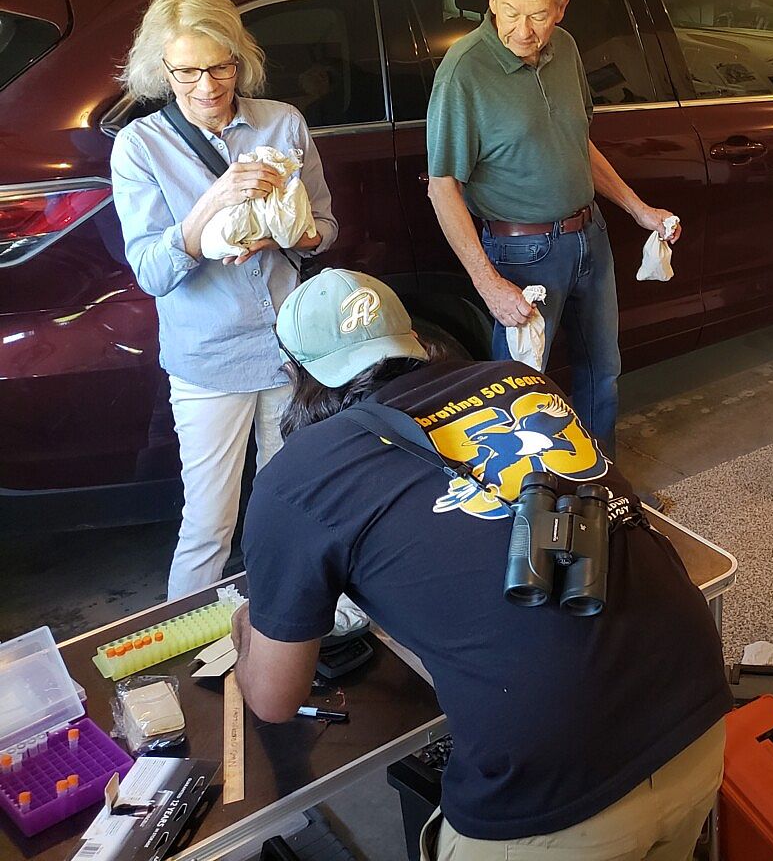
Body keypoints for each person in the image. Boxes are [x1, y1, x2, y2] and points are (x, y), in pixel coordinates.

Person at [233, 269, 731, 861]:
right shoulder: (520, 381)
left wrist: (247, 626)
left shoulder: (296, 478)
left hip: (555, 797)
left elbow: (272, 700)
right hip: (697, 716)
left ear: (296, 374)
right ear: (413, 339)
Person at [110, 0, 336, 600]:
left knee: (293, 505)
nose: (207, 87)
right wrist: (216, 199)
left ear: (240, 59)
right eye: (187, 72)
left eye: (220, 67)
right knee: (209, 525)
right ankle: (182, 663)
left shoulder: (282, 123)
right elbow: (151, 272)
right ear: (161, 69)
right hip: (210, 362)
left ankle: (288, 630)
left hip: (291, 351)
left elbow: (326, 228)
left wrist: (288, 233)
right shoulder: (142, 145)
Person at [425, 0, 679, 459]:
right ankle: (524, 499)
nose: (524, 30)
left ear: (562, 6)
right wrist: (488, 282)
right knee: (521, 390)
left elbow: (575, 141)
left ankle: (598, 481)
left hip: (590, 237)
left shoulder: (563, 48)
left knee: (602, 373)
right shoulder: (465, 72)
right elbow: (442, 185)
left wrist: (638, 210)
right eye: (511, 12)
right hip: (521, 254)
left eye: (538, 14)